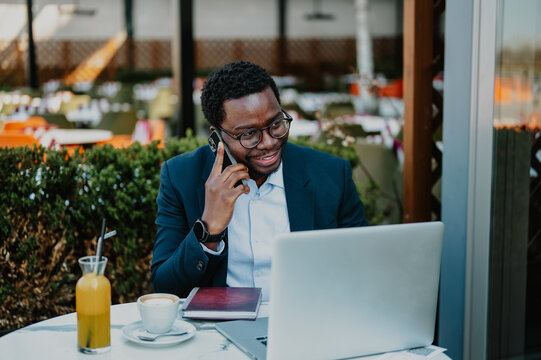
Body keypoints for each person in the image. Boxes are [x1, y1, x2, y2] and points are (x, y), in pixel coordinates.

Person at [151, 61, 368, 300]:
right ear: (217, 136)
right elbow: (166, 288)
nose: (268, 142)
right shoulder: (181, 176)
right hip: (221, 329)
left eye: (276, 124)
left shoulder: (331, 174)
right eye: (249, 134)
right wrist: (209, 228)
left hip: (307, 321)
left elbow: (361, 269)